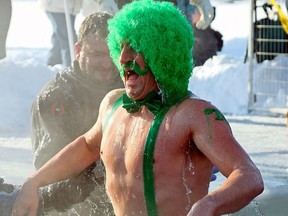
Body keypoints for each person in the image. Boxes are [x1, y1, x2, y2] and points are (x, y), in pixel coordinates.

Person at [12, 1, 264, 215]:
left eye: (133, 48)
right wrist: (35, 182)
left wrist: (208, 205)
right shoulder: (113, 104)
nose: (122, 59)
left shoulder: (195, 115)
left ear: (161, 55)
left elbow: (249, 175)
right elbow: (87, 146)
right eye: (120, 47)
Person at [38, 0, 82, 67]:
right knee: (68, 38)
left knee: (60, 37)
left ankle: (53, 65)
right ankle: (70, 68)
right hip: (56, 6)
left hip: (71, 7)